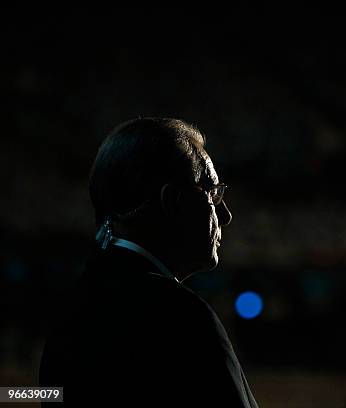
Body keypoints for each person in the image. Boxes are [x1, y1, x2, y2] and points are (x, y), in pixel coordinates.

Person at [39, 118, 258, 406]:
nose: (225, 215)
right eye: (213, 193)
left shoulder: (72, 308)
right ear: (172, 201)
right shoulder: (181, 317)